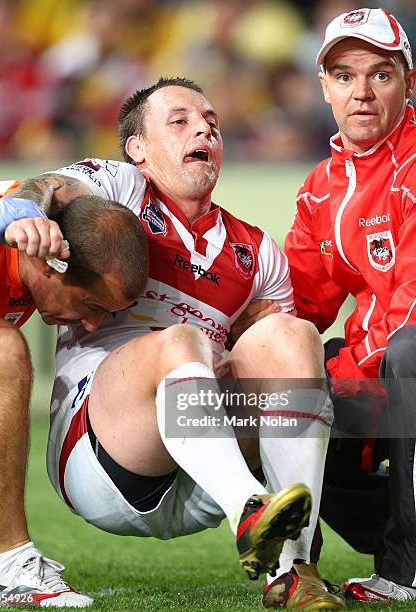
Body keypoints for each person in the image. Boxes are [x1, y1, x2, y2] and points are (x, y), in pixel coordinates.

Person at [7, 77, 345, 609]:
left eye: (211, 120)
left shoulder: (257, 251)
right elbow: (46, 184)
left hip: (206, 466)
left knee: (292, 334)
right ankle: (250, 511)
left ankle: (294, 568)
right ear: (137, 148)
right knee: (179, 342)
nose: (203, 127)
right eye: (180, 119)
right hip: (104, 455)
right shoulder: (120, 187)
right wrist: (27, 209)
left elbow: (281, 379)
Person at [282, 6, 416, 604]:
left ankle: (407, 565)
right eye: (344, 76)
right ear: (325, 88)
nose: (360, 92)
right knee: (292, 378)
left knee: (410, 356)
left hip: (402, 362)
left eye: (380, 75)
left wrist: (359, 379)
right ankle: (291, 565)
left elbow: (409, 308)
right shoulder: (320, 187)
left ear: (408, 82)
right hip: (379, 370)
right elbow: (298, 303)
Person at [0, 184, 148, 607]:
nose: (89, 325)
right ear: (51, 264)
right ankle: (12, 565)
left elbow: (49, 183)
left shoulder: (35, 223)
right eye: (90, 305)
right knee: (0, 349)